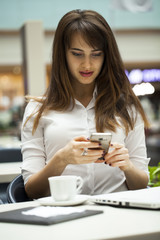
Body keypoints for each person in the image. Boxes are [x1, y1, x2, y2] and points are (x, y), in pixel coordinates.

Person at [21, 9, 150, 200]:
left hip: (118, 217)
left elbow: (141, 184)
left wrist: (127, 166)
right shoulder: (37, 110)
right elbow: (32, 190)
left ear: (106, 55)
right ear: (62, 55)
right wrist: (61, 159)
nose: (87, 65)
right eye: (77, 54)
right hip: (62, 217)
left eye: (96, 54)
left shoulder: (127, 107)